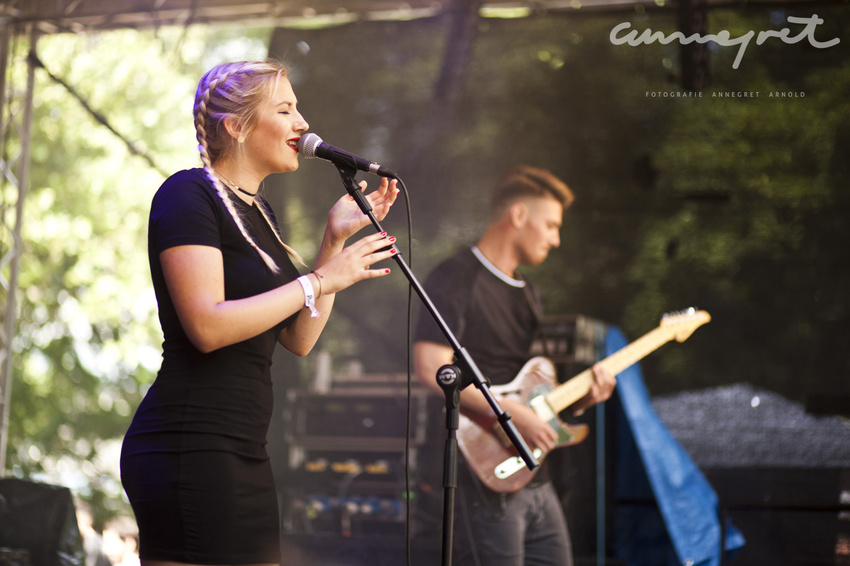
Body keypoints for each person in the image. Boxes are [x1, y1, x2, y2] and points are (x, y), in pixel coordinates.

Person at [119, 59, 399, 565]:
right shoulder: (188, 194)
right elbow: (207, 326)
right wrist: (319, 280)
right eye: (286, 109)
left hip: (244, 448)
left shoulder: (260, 212)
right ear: (237, 126)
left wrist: (333, 240)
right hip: (191, 443)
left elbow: (298, 339)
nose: (303, 124)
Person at [413, 165, 616, 566]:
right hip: (479, 471)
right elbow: (430, 367)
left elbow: (526, 388)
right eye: (552, 225)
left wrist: (576, 403)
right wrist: (509, 416)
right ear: (519, 215)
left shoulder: (528, 293)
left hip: (534, 473)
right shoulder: (456, 277)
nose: (556, 240)